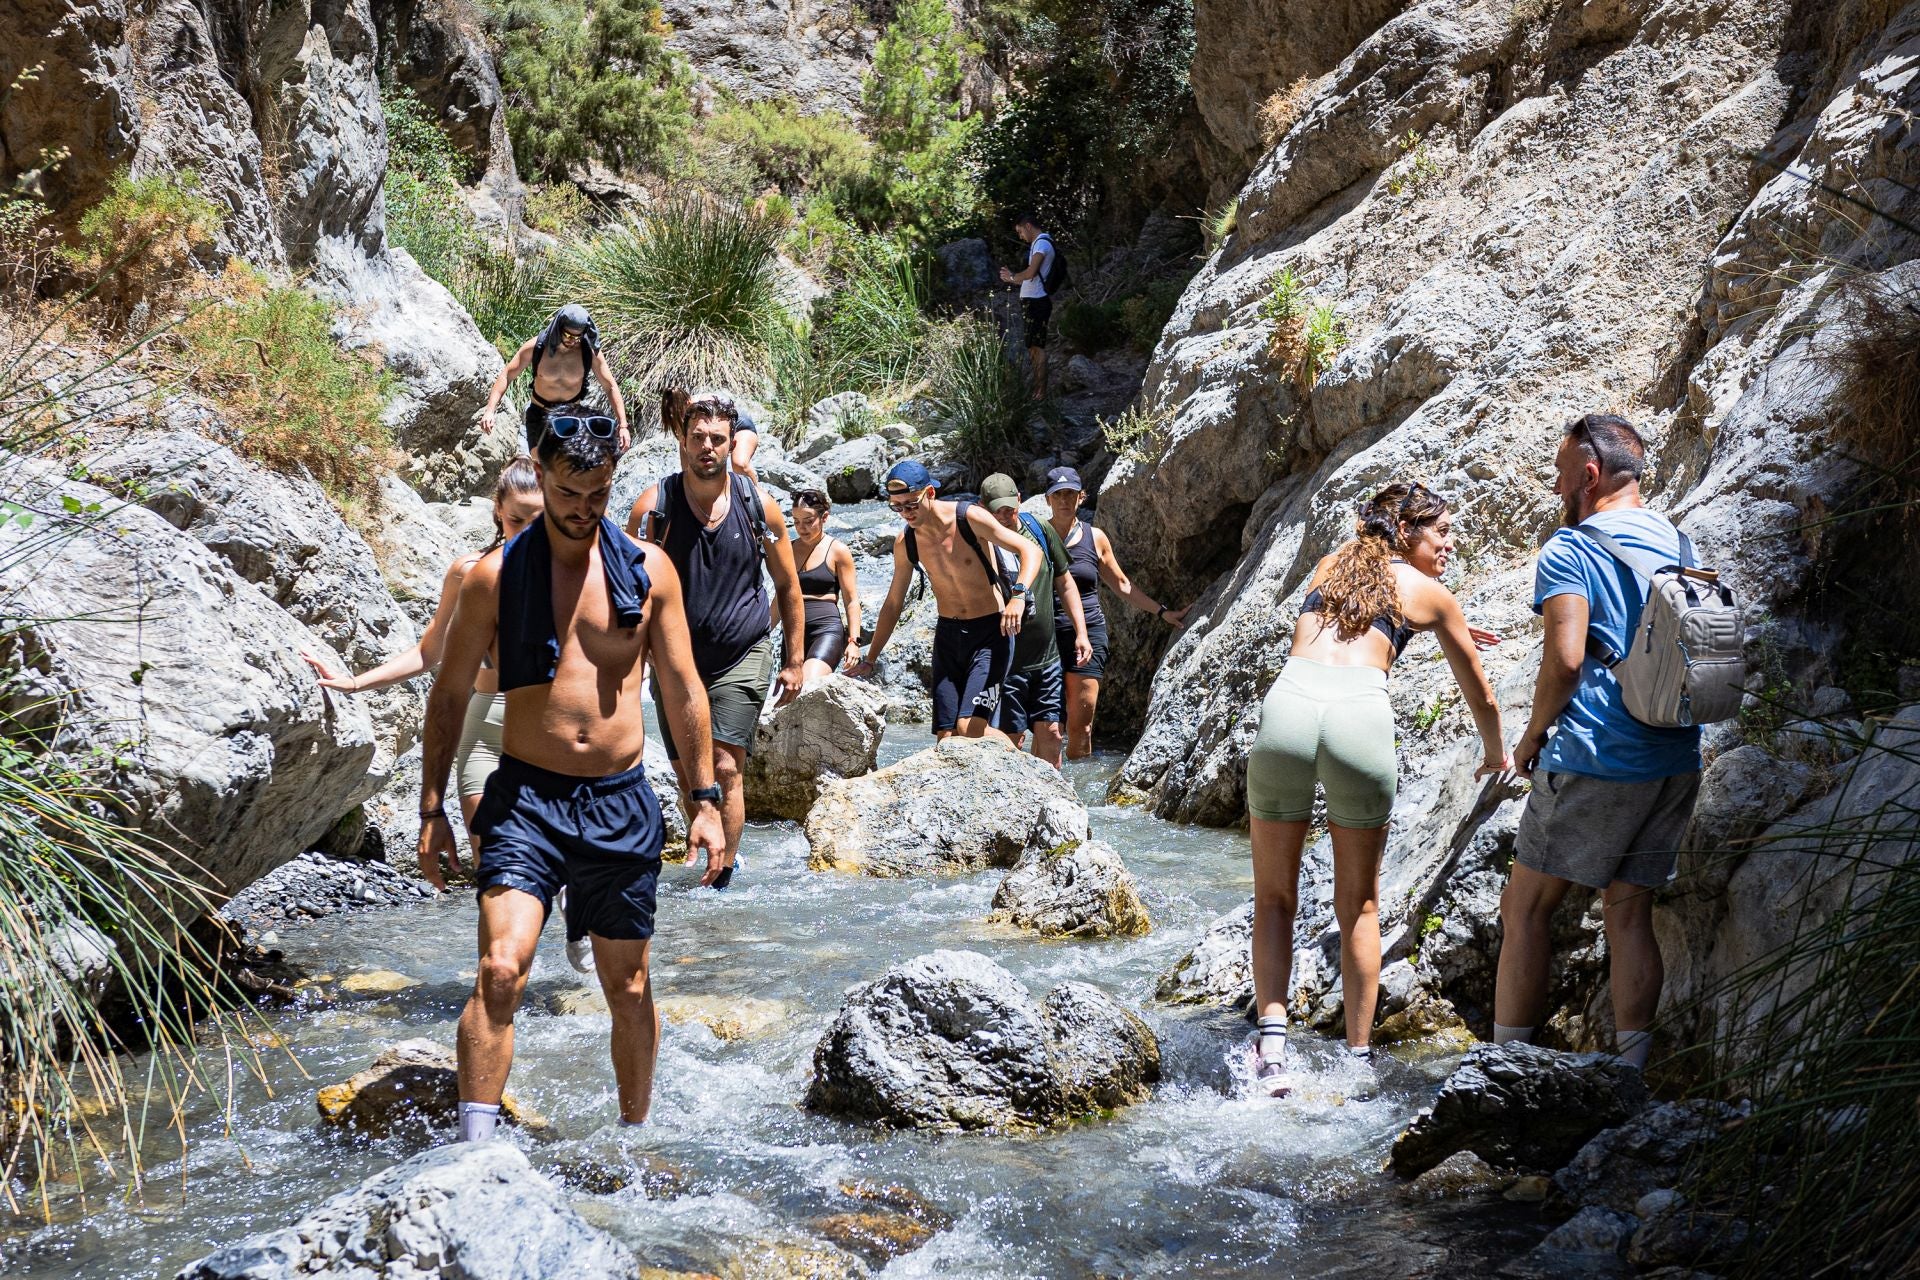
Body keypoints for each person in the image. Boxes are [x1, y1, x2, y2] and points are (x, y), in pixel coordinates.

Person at [417, 417, 725, 1138]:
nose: (583, 508)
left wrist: (704, 799)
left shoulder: (650, 572)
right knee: (501, 969)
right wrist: (432, 808)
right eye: (567, 492)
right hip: (525, 797)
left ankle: (634, 1138)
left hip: (619, 801)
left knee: (628, 985)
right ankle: (475, 1152)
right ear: (539, 475)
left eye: (597, 492)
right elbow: (451, 694)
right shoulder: (494, 578)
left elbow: (684, 689)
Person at [1244, 483, 1509, 1098]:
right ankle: (1357, 1062)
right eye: (1440, 531)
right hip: (1358, 719)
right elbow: (1484, 696)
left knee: (1274, 897)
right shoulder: (1430, 594)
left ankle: (1273, 1051)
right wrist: (1497, 754)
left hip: (1287, 708)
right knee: (1359, 904)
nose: (1449, 543)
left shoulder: (1333, 563)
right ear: (1407, 531)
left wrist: (1461, 620)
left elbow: (1358, 613)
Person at [1494, 414, 1703, 1072]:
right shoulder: (1681, 543)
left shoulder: (1572, 549)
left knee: (1525, 909)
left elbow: (1564, 659)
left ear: (1588, 476)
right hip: (1674, 755)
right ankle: (1629, 1074)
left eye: (1560, 474)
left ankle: (1502, 1069)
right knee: (1629, 911)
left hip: (1597, 754)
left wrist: (1529, 739)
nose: (1557, 486)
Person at [303, 458, 542, 857]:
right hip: (484, 734)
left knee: (564, 880)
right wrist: (357, 683)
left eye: (540, 521)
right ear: (498, 510)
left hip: (549, 733)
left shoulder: (573, 575)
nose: (527, 534)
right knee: (497, 870)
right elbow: (429, 652)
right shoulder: (468, 573)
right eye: (518, 521)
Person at [626, 391, 805, 889]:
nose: (707, 446)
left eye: (718, 439)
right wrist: (630, 661)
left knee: (725, 766)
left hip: (741, 652)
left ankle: (720, 876)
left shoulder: (758, 507)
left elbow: (788, 586)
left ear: (732, 445)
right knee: (689, 774)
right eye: (698, 437)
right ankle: (707, 844)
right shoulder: (653, 506)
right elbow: (625, 589)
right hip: (672, 660)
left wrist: (794, 659)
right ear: (682, 441)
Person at [848, 461, 1042, 740]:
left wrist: (1019, 596)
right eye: (897, 507)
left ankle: (1029, 771)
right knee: (946, 736)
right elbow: (893, 603)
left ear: (930, 493)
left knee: (969, 728)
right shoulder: (907, 542)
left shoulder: (968, 517)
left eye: (911, 504)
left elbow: (1029, 550)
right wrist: (871, 657)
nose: (906, 513)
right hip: (949, 637)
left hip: (990, 634)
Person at [1042, 467, 1189, 758]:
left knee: (1080, 726)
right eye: (1057, 495)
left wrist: (1162, 613)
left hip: (1089, 635)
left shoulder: (1094, 538)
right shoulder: (1037, 536)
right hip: (1046, 635)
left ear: (1081, 497)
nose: (1063, 501)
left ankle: (1077, 794)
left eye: (1069, 494)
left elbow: (1121, 584)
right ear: (1047, 500)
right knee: (1049, 726)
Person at [978, 473, 1089, 768]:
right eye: (996, 510)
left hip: (1047, 658)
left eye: (1009, 507)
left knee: (1052, 734)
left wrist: (1081, 632)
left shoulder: (1039, 529)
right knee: (1009, 742)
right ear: (982, 508)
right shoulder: (980, 544)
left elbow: (1065, 583)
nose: (1004, 515)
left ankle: (1057, 805)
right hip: (1007, 664)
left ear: (1019, 500)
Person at [479, 304, 631, 453]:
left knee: (565, 468)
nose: (573, 341)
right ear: (559, 328)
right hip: (540, 414)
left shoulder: (589, 353)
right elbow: (507, 375)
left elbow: (610, 387)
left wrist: (622, 425)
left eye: (578, 337)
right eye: (569, 335)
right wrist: (490, 410)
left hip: (570, 416)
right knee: (540, 463)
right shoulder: (536, 347)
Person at [787, 488, 862, 683]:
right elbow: (780, 597)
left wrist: (854, 641)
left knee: (808, 684)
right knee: (788, 695)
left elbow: (852, 601)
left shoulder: (838, 551)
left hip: (826, 630)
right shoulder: (788, 549)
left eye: (808, 520)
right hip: (792, 634)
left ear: (824, 517)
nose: (801, 528)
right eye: (796, 521)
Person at [998, 214, 1057, 395]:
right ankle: (1038, 391)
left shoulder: (1042, 243)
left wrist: (1013, 277)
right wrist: (1012, 278)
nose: (1020, 236)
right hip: (1033, 301)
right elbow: (1030, 278)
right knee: (1032, 346)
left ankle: (1040, 393)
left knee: (1037, 347)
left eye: (1020, 231)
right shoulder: (1039, 244)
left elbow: (1031, 273)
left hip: (1037, 303)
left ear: (1028, 226)